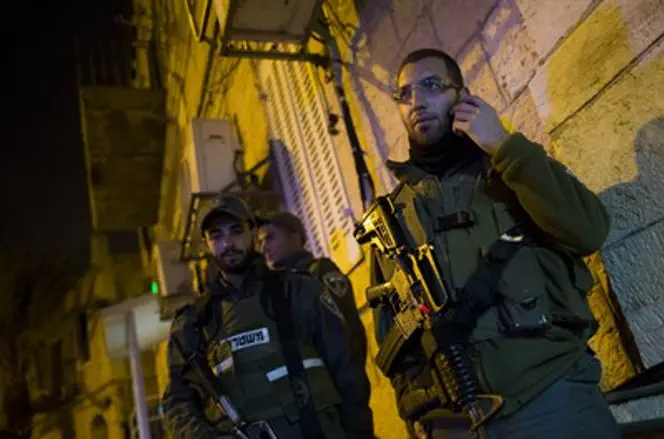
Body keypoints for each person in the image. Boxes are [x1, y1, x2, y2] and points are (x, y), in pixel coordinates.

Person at [368, 48, 620, 438]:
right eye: (404, 94)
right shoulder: (392, 216)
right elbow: (390, 335)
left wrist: (503, 144)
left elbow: (588, 230)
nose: (416, 101)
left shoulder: (508, 165)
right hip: (454, 424)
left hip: (549, 400)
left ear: (462, 95)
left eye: (432, 86)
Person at [163, 194, 374, 439]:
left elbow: (347, 368)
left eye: (236, 230)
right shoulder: (193, 323)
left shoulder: (299, 290)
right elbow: (177, 402)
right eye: (216, 235)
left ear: (252, 232)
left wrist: (359, 433)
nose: (228, 243)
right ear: (205, 244)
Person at [258, 211, 368, 369]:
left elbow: (347, 332)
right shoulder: (280, 288)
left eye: (270, 238)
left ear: (295, 238)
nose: (263, 248)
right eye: (260, 241)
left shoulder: (320, 271)